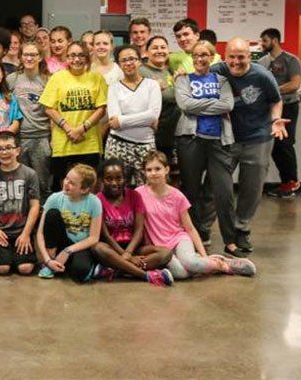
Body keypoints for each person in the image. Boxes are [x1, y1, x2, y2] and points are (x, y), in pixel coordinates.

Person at [210, 38, 287, 257]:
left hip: (258, 137)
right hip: (226, 138)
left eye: (241, 57)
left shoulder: (262, 75)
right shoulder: (217, 71)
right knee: (216, 187)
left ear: (249, 56)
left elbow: (276, 100)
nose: (236, 61)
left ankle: (241, 229)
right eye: (232, 56)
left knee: (251, 188)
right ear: (225, 56)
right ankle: (203, 230)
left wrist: (276, 119)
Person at [137, 151, 256, 279]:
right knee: (180, 274)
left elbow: (190, 228)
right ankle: (207, 263)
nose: (153, 173)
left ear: (166, 170)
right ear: (144, 173)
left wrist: (204, 254)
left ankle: (224, 265)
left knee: (191, 263)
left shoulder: (177, 196)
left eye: (157, 169)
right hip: (159, 247)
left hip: (178, 239)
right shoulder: (138, 194)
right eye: (149, 170)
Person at [174, 40, 235, 249]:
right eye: (196, 56)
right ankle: (193, 234)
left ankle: (230, 240)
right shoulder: (184, 80)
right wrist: (214, 106)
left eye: (204, 55)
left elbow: (228, 104)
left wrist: (197, 106)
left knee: (223, 190)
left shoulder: (222, 80)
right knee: (190, 190)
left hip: (219, 140)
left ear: (212, 57)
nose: (200, 59)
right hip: (190, 140)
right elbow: (184, 104)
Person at [91, 159, 173, 285]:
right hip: (112, 249)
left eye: (119, 178)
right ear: (102, 180)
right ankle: (145, 275)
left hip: (134, 247)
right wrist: (124, 254)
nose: (114, 183)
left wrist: (128, 253)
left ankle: (117, 270)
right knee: (98, 248)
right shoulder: (97, 200)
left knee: (165, 253)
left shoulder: (135, 196)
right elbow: (105, 235)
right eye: (109, 179)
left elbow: (139, 229)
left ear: (125, 179)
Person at [40, 41, 107, 190]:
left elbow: (101, 108)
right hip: (64, 143)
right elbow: (48, 108)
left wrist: (82, 129)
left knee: (89, 187)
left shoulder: (97, 78)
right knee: (64, 188)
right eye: (72, 55)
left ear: (87, 57)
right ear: (67, 57)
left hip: (89, 144)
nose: (77, 59)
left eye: (81, 55)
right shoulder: (57, 78)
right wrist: (69, 129)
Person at [0, 131, 40, 276]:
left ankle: (18, 256)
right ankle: (7, 257)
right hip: (1, 232)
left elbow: (35, 206)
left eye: (9, 147)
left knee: (25, 268)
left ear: (17, 150)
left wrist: (27, 233)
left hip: (22, 230)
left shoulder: (30, 174)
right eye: (0, 149)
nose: (4, 152)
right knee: (3, 269)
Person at [105, 45, 161, 186]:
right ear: (118, 64)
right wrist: (145, 119)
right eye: (123, 60)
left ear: (139, 61)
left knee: (147, 191)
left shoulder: (152, 85)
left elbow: (153, 115)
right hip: (118, 144)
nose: (128, 63)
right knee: (116, 190)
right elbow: (113, 120)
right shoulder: (113, 88)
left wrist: (122, 121)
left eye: (132, 59)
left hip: (145, 146)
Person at [36, 164, 101, 282]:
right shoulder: (54, 198)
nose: (66, 183)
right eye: (66, 178)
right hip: (59, 242)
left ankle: (74, 264)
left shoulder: (94, 202)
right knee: (52, 214)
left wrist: (68, 251)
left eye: (72, 183)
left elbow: (93, 238)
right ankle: (51, 262)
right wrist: (47, 260)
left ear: (84, 189)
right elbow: (40, 233)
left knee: (80, 273)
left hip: (80, 245)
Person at [259, 28, 301, 197]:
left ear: (275, 41)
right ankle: (285, 183)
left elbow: (295, 84)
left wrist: (274, 90)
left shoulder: (291, 60)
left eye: (265, 41)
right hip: (268, 108)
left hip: (289, 106)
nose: (262, 44)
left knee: (285, 144)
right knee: (275, 145)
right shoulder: (262, 62)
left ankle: (292, 182)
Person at [7, 42, 52, 199]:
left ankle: (42, 217)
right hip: (20, 137)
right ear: (20, 57)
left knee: (43, 182)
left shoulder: (48, 80)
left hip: (42, 136)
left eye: (33, 55)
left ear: (40, 57)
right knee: (21, 183)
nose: (29, 58)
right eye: (26, 54)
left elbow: (54, 109)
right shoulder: (12, 79)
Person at [139, 36, 180, 164]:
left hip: (171, 133)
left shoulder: (168, 71)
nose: (159, 51)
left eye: (163, 47)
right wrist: (151, 89)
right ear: (146, 52)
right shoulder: (141, 71)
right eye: (155, 48)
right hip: (154, 134)